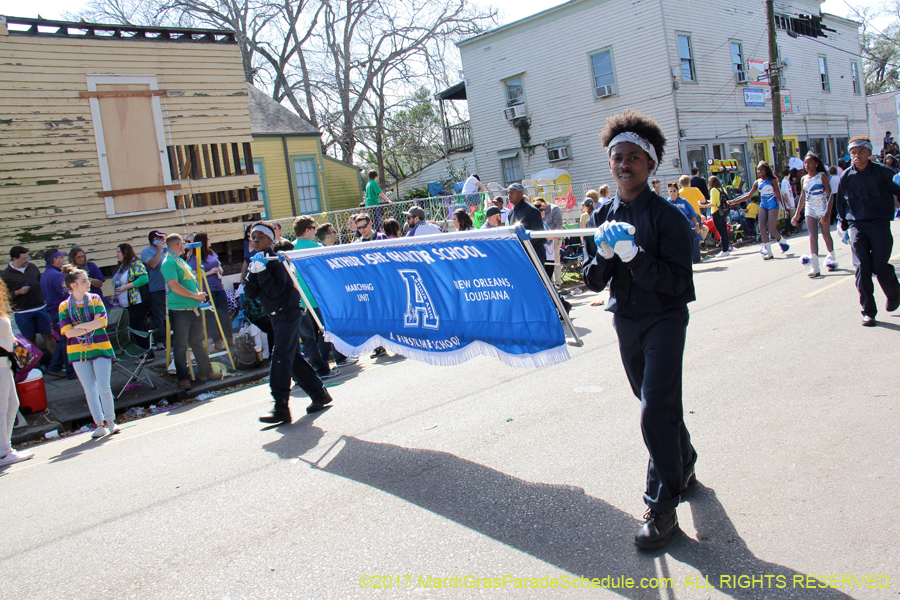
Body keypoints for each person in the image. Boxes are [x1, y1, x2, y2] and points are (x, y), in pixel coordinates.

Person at [582, 109, 697, 550]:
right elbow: (593, 280)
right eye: (617, 157)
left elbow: (678, 283)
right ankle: (683, 461)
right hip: (626, 321)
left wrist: (634, 256)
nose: (623, 164)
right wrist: (607, 253)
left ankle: (662, 507)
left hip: (665, 319)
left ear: (650, 164)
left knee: (653, 410)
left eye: (633, 157)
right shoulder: (605, 213)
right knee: (658, 404)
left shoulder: (668, 217)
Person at [245, 222, 333, 422]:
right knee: (292, 358)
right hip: (276, 316)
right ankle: (319, 393)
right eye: (253, 236)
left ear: (271, 240)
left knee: (280, 356)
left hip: (288, 313)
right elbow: (250, 294)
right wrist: (253, 272)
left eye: (260, 236)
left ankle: (280, 406)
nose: (255, 239)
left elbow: (276, 291)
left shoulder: (277, 261)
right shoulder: (258, 262)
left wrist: (264, 271)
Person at [835, 136, 900, 326]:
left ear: (869, 153)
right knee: (862, 267)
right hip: (857, 226)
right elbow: (841, 203)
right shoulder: (846, 176)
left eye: (861, 152)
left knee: (879, 266)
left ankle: (894, 293)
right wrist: (843, 225)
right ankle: (868, 311)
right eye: (853, 152)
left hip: (880, 225)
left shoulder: (883, 173)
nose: (857, 156)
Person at [59, 264, 120, 438]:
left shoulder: (95, 299)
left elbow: (102, 322)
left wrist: (79, 327)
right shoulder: (64, 306)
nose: (88, 283)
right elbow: (67, 332)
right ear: (74, 285)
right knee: (89, 390)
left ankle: (111, 421)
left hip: (100, 347)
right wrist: (89, 326)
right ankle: (99, 424)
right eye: (84, 281)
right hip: (78, 351)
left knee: (103, 386)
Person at [161, 234, 224, 390]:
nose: (184, 246)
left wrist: (197, 296)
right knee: (181, 345)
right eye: (182, 243)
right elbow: (174, 286)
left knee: (197, 342)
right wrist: (195, 295)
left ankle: (206, 371)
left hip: (192, 308)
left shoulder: (180, 261)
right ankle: (183, 378)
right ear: (177, 244)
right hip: (180, 310)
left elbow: (188, 281)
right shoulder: (168, 262)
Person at [293, 216, 353, 379]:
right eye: (313, 227)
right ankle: (324, 366)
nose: (315, 230)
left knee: (309, 337)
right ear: (307, 230)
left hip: (301, 299)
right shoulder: (316, 247)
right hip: (317, 296)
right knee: (324, 333)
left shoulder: (291, 248)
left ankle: (318, 366)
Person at [0, 278, 35, 466]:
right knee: (4, 407)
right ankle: (4, 451)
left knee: (12, 404)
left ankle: (5, 448)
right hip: (1, 364)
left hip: (5, 363)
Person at [1, 246, 54, 355]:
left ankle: (57, 362)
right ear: (14, 259)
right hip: (22, 311)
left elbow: (40, 282)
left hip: (40, 307)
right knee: (30, 339)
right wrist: (17, 292)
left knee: (48, 334)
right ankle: (35, 366)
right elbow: (3, 295)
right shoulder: (6, 274)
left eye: (27, 257)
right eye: (23, 259)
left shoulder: (32, 267)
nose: (27, 261)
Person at [792, 153, 837, 278]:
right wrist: (796, 215)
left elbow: (830, 196)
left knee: (826, 235)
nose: (807, 165)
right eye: (805, 163)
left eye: (810, 162)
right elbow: (802, 197)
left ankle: (831, 258)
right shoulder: (803, 179)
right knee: (812, 237)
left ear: (816, 163)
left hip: (822, 208)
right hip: (809, 209)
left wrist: (828, 213)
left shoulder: (822, 176)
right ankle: (815, 267)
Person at [733, 162, 790, 260]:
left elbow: (779, 195)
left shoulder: (772, 180)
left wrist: (786, 210)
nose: (759, 171)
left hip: (773, 204)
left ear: (766, 170)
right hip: (763, 204)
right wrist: (734, 201)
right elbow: (748, 195)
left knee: (771, 229)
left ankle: (782, 241)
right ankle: (768, 251)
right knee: (762, 228)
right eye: (758, 169)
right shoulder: (757, 182)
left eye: (761, 169)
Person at [187, 233, 233, 351]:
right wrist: (209, 272)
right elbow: (193, 275)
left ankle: (229, 337)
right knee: (211, 316)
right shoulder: (195, 257)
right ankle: (217, 341)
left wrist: (219, 270)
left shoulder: (212, 253)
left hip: (219, 287)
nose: (209, 240)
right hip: (207, 290)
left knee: (224, 314)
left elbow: (218, 264)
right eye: (207, 239)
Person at [111, 243, 150, 351]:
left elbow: (144, 278)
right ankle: (138, 351)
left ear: (125, 252)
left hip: (136, 302)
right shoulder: (121, 266)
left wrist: (127, 287)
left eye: (119, 252)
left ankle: (147, 352)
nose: (117, 254)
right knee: (130, 328)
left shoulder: (136, 264)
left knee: (136, 327)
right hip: (124, 303)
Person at [40, 248, 72, 379]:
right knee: (67, 341)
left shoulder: (45, 274)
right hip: (61, 312)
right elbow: (67, 294)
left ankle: (54, 367)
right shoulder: (56, 275)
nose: (63, 260)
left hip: (53, 312)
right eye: (61, 258)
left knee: (63, 340)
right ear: (54, 260)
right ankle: (71, 372)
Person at [141, 230, 168, 348]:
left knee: (168, 314)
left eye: (163, 238)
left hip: (168, 287)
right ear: (153, 239)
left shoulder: (166, 251)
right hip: (155, 288)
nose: (163, 240)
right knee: (158, 315)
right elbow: (152, 265)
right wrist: (159, 250)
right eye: (160, 238)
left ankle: (170, 338)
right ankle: (160, 340)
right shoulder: (147, 251)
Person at [667, 182, 704, 264]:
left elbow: (692, 214)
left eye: (674, 190)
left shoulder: (683, 201)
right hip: (673, 228)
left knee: (687, 245)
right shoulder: (667, 203)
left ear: (677, 191)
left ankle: (689, 261)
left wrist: (697, 225)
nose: (672, 193)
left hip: (685, 226)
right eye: (670, 191)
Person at [707, 176, 734, 256]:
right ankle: (727, 247)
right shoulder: (722, 189)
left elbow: (713, 204)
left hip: (716, 212)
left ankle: (724, 250)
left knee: (721, 231)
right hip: (723, 212)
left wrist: (701, 206)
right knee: (724, 231)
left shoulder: (713, 190)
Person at [780, 167, 797, 236]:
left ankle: (791, 229)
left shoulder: (786, 181)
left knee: (790, 215)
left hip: (789, 201)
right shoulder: (785, 181)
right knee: (788, 216)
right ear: (789, 174)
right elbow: (784, 192)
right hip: (788, 202)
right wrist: (788, 201)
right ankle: (789, 229)